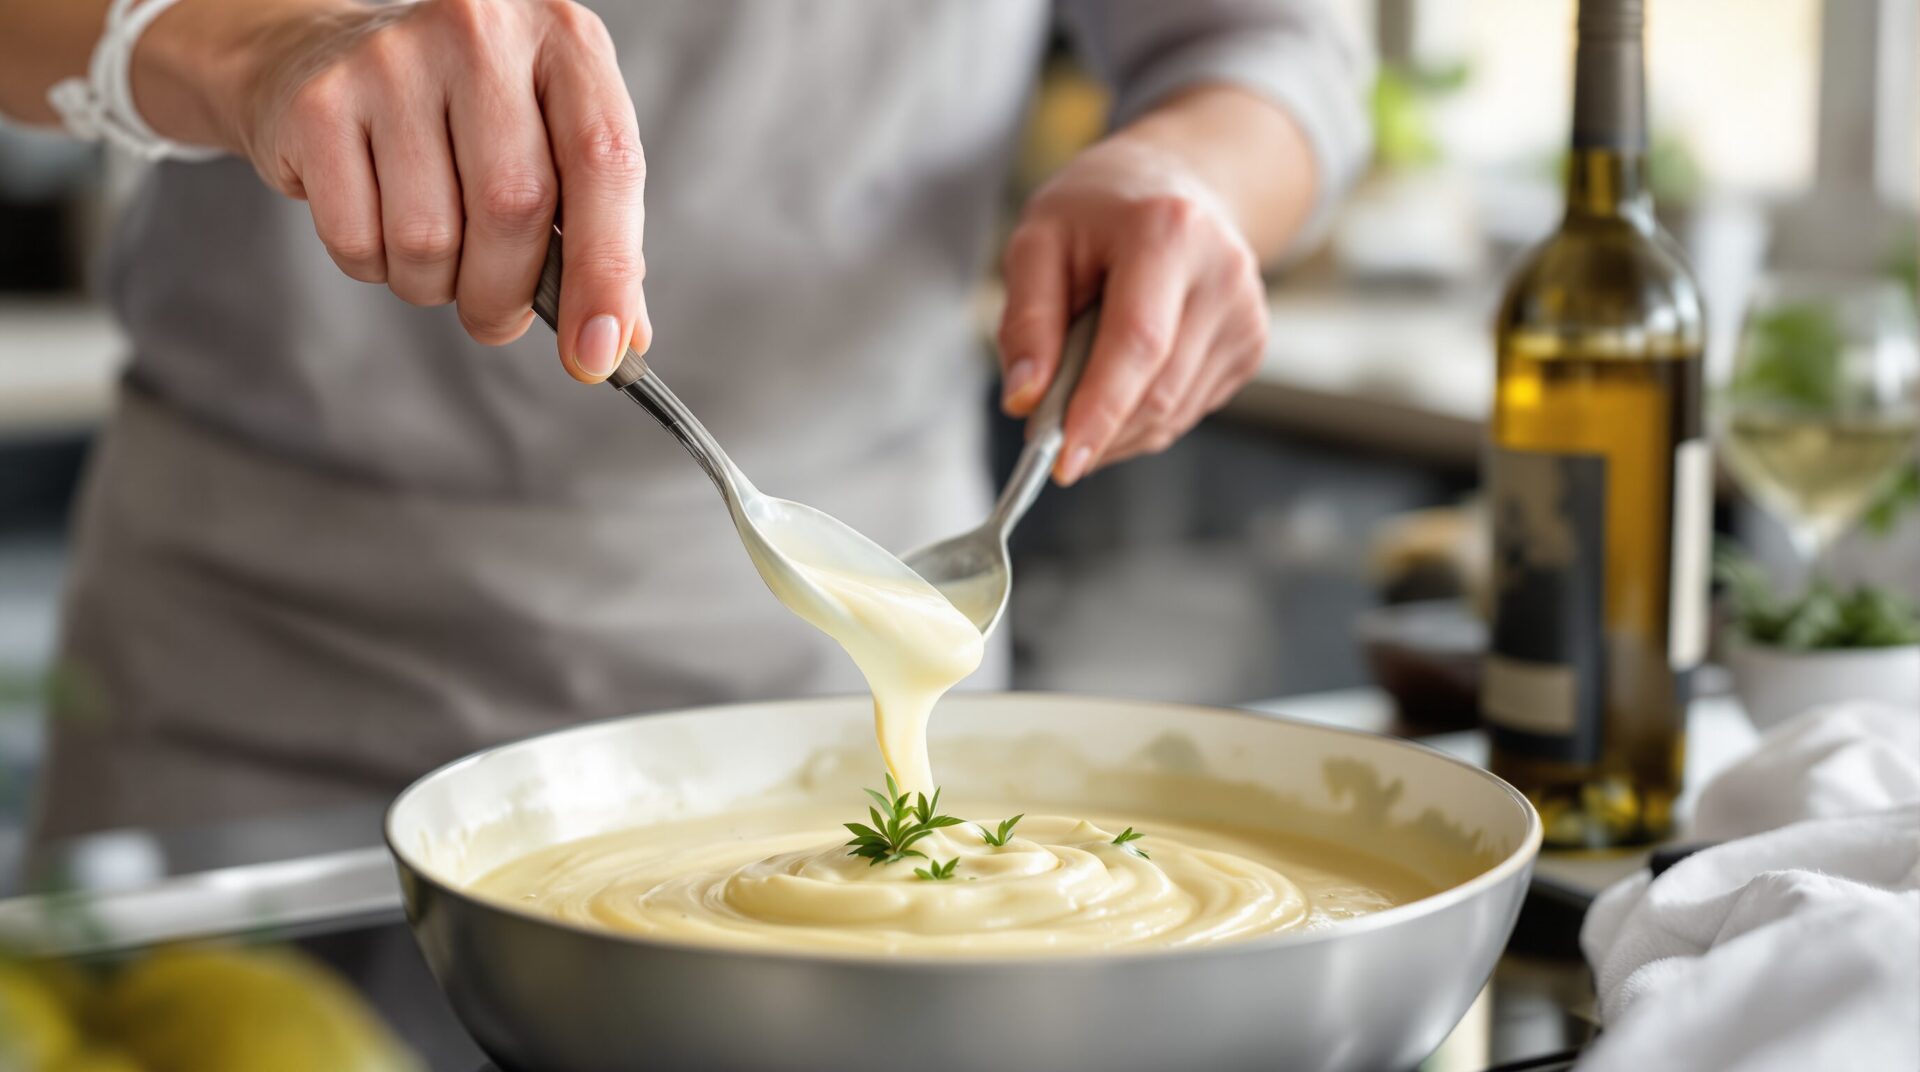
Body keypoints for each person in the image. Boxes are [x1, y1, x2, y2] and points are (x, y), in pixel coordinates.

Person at [0, 0, 1370, 842]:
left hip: (810, 684)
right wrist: (253, 41)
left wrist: (1190, 170)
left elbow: (1275, 41)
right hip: (243, 683)